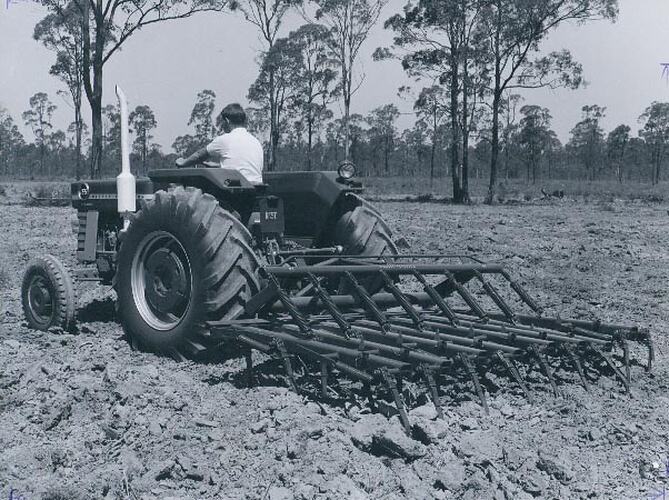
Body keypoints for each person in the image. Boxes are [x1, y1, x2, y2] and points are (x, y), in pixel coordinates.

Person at [175, 103, 264, 184]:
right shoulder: (256, 141)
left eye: (222, 122)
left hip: (235, 190)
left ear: (227, 121)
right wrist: (218, 166)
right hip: (257, 188)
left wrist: (183, 163)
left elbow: (199, 155)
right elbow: (242, 167)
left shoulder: (225, 139)